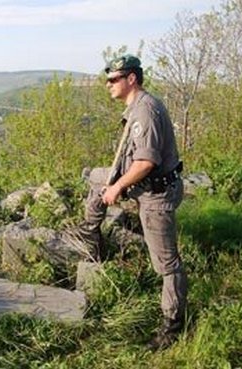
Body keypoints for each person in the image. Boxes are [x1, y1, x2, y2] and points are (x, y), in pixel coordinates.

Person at [69, 55, 186, 351]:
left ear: (131, 79)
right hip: (139, 184)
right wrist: (110, 183)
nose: (108, 84)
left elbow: (146, 161)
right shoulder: (135, 107)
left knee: (167, 264)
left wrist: (118, 187)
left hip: (155, 194)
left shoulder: (145, 110)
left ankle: (172, 326)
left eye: (114, 79)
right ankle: (93, 243)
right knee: (95, 185)